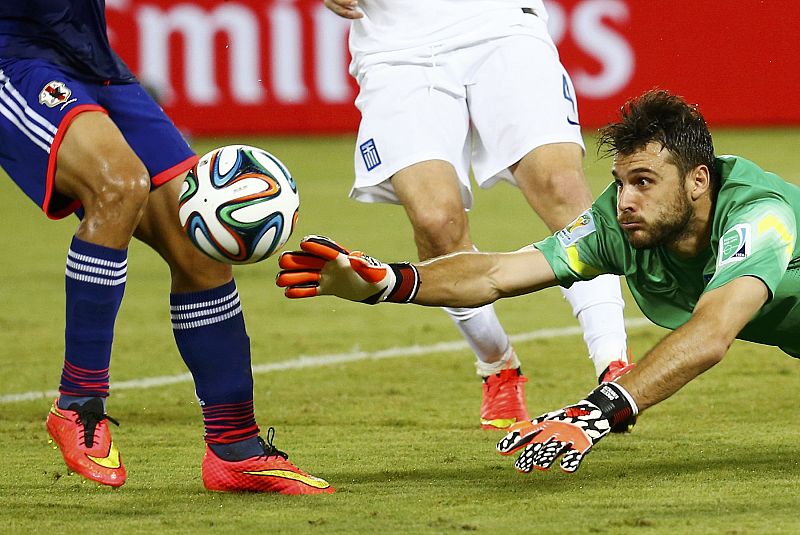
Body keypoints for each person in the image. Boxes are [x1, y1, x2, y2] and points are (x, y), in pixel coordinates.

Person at [277, 88, 800, 473]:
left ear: (698, 180)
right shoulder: (621, 224)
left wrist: (599, 411)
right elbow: (500, 273)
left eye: (644, 182)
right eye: (619, 182)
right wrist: (388, 281)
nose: (624, 201)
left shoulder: (760, 218)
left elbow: (711, 334)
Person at [0, 1, 332, 494]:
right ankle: (78, 402)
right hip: (15, 54)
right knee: (119, 185)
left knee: (199, 240)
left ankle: (234, 448)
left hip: (92, 58)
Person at [323, 0, 631, 431]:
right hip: (398, 41)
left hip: (500, 20)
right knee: (435, 222)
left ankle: (614, 366)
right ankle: (497, 363)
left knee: (561, 187)